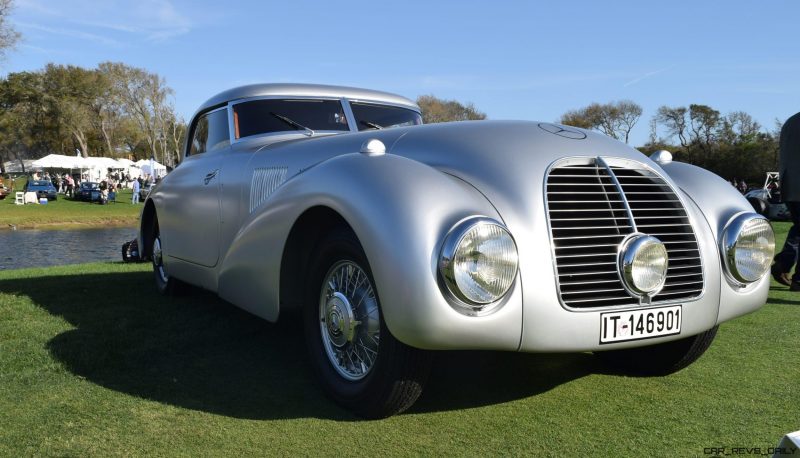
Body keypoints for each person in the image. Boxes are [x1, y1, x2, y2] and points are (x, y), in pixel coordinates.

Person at [772, 111, 800, 289]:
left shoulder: (791, 121)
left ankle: (785, 264)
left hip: (790, 184)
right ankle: (784, 263)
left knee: (799, 227)